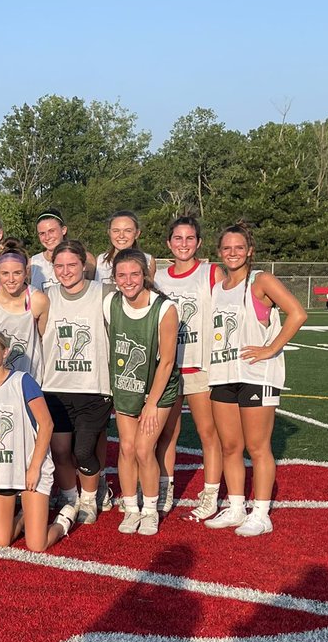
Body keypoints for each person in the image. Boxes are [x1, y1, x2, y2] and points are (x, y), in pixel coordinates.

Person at [204, 222, 307, 536]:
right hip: (223, 373)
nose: (232, 253)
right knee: (230, 446)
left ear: (249, 250)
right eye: (226, 248)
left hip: (256, 374)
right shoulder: (218, 287)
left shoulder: (260, 280)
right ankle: (236, 507)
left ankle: (260, 513)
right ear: (220, 252)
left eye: (239, 247)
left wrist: (270, 348)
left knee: (257, 447)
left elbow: (298, 313)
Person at [105, 249, 180, 536]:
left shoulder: (164, 308)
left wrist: (152, 402)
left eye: (134, 274)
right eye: (121, 275)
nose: (128, 280)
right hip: (126, 386)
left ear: (145, 275)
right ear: (114, 278)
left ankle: (150, 509)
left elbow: (168, 361)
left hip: (158, 388)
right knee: (125, 447)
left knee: (143, 448)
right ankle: (131, 507)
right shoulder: (110, 303)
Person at [0, 329, 69, 551]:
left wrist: (34, 468)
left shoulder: (23, 381)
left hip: (29, 468)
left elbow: (47, 424)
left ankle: (64, 520)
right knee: (1, 541)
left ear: (5, 352)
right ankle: (26, 514)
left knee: (37, 545)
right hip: (1, 469)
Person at [154, 216, 223, 519]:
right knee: (167, 433)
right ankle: (165, 488)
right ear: (168, 243)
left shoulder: (210, 273)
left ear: (198, 242)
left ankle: (210, 493)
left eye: (190, 238)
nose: (184, 244)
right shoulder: (156, 277)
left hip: (199, 364)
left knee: (208, 432)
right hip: (167, 366)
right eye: (178, 238)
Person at [40, 240, 113, 524]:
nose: (66, 271)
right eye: (59, 265)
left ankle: (89, 499)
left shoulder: (104, 293)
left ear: (85, 265)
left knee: (84, 450)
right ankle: (69, 495)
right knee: (60, 450)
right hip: (55, 387)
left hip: (93, 387)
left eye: (72, 265)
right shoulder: (45, 297)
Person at [0, 247, 48, 378]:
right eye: (5, 273)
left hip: (26, 373)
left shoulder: (37, 300)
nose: (11, 279)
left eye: (17, 273)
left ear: (26, 273)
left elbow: (43, 336)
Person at [95, 210, 154, 286]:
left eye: (128, 231)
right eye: (116, 231)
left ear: (137, 233)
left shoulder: (148, 261)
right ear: (109, 233)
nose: (121, 236)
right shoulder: (99, 261)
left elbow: (149, 290)